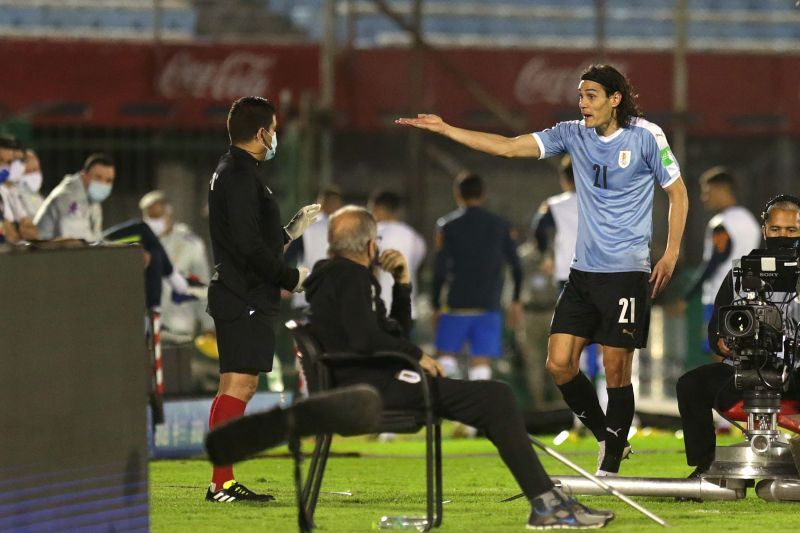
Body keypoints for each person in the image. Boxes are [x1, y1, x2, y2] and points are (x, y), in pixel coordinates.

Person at [397, 64, 689, 475]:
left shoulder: (646, 135)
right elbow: (509, 146)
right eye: (580, 95)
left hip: (626, 271)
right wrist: (447, 129)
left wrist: (672, 252)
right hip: (583, 274)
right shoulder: (572, 134)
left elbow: (677, 192)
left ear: (615, 99)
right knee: (559, 364)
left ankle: (609, 463)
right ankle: (609, 436)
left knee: (615, 367)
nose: (582, 103)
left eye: (591, 95)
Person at [303, 206, 613, 529]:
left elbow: (388, 332)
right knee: (496, 397)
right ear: (371, 245)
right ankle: (546, 504)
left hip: (364, 386)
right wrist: (415, 355)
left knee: (494, 400)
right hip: (373, 391)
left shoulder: (332, 277)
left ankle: (546, 499)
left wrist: (402, 284)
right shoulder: (351, 278)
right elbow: (367, 339)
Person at [205, 96, 320, 503]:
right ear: (261, 133)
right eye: (273, 129)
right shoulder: (239, 175)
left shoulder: (239, 171)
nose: (276, 137)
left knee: (236, 385)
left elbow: (253, 240)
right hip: (243, 293)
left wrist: (289, 232)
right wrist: (292, 277)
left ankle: (221, 480)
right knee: (240, 384)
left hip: (243, 291)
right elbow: (247, 247)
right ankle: (221, 483)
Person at [676, 195, 800, 478]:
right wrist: (721, 341)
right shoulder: (739, 272)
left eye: (791, 231)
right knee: (691, 384)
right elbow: (717, 325)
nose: (783, 236)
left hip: (795, 373)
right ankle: (704, 467)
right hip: (746, 369)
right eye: (777, 230)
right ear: (765, 230)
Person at [433, 173, 523, 384]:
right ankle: (479, 412)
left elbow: (440, 269)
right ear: (483, 194)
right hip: (489, 304)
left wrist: (436, 304)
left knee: (446, 357)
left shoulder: (447, 226)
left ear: (457, 195)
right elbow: (516, 266)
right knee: (481, 362)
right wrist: (516, 301)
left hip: (456, 304)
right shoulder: (501, 226)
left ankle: (450, 409)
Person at [683, 167, 761, 353]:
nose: (704, 197)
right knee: (741, 355)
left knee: (720, 353)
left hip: (720, 298)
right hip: (746, 297)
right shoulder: (751, 221)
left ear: (721, 189)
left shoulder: (721, 224)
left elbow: (713, 262)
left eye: (707, 191)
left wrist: (688, 295)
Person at [139, 190, 213, 338]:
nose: (153, 222)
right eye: (149, 217)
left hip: (179, 327)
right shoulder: (137, 245)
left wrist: (209, 325)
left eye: (157, 216)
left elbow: (202, 284)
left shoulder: (190, 244)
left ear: (169, 214)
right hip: (147, 329)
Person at [368, 189, 427, 321]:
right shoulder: (414, 237)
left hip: (379, 311)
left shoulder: (371, 235)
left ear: (379, 208)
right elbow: (415, 266)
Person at [284, 185, 344, 310]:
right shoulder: (347, 230)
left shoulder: (307, 226)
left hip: (306, 296)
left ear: (320, 203)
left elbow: (288, 256)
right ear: (339, 206)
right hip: (336, 298)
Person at [34, 153, 115, 241]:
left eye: (109, 180)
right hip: (43, 252)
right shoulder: (69, 197)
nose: (103, 184)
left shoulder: (92, 199)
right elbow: (77, 242)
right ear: (84, 176)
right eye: (98, 178)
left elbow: (95, 239)